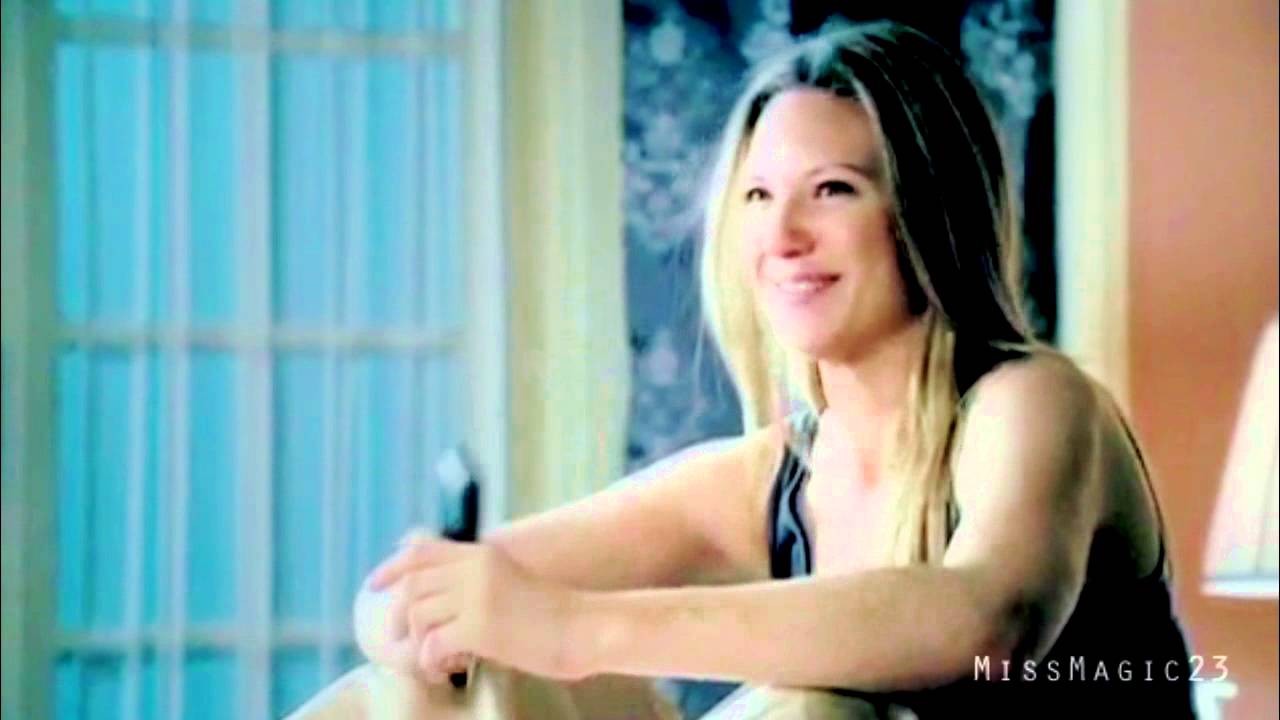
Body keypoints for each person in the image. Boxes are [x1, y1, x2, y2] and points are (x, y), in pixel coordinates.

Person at [287, 20, 1196, 719]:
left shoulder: (1034, 403)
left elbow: (984, 622)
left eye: (832, 190)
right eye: (759, 195)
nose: (781, 236)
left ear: (929, 211)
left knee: (811, 709)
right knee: (441, 687)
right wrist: (418, 623)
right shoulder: (771, 476)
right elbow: (414, 591)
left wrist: (569, 629)